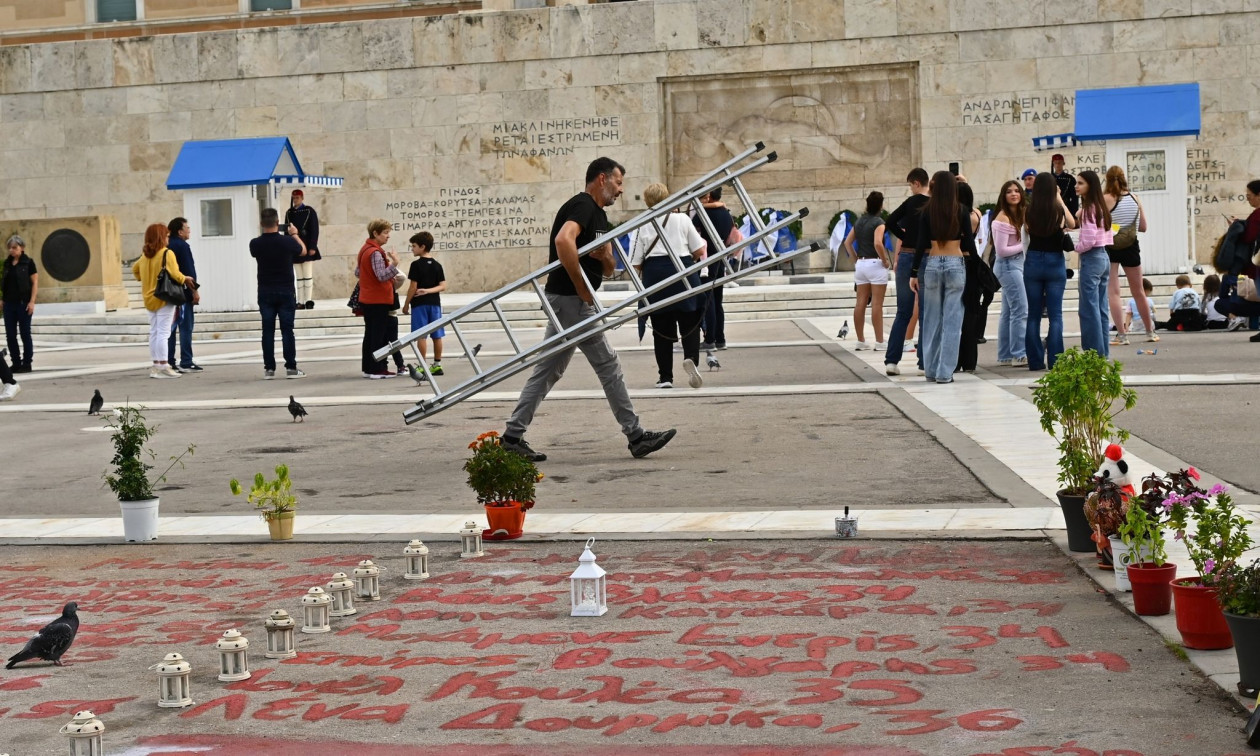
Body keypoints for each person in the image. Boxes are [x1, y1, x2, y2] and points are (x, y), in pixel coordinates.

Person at [500, 157, 676, 461]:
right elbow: (562, 240)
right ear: (602, 179)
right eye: (619, 183)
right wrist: (582, 288)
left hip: (567, 300)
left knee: (548, 370)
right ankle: (635, 436)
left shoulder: (599, 217)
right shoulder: (583, 206)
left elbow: (608, 268)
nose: (621, 191)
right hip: (572, 300)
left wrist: (603, 258)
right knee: (608, 365)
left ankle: (512, 437)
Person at [632, 182, 708, 389]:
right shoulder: (682, 219)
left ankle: (665, 377)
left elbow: (636, 261)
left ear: (647, 201)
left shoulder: (641, 223)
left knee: (661, 326)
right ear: (668, 198)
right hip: (683, 271)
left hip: (656, 276)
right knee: (690, 320)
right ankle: (691, 358)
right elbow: (700, 249)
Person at [909, 171, 973, 384]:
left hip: (933, 262)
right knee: (953, 320)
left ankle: (931, 369)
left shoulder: (927, 211)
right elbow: (969, 244)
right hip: (955, 262)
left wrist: (914, 272)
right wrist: (976, 265)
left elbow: (920, 245)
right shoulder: (961, 210)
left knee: (931, 320)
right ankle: (945, 373)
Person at [1024, 173, 1076, 371]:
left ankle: (1035, 361)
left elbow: (1027, 231)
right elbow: (1071, 223)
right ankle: (1055, 361)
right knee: (1056, 315)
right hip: (1055, 261)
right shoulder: (1057, 209)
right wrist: (1059, 198)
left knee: (1033, 314)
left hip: (1034, 260)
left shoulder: (1029, 210)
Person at [249, 208, 307, 380]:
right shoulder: (287, 242)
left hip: (265, 291)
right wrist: (295, 234)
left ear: (261, 224)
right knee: (287, 330)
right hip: (286, 290)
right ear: (277, 222)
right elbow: (303, 251)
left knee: (267, 331)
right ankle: (291, 367)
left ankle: (269, 369)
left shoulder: (255, 243)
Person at [883, 168, 930, 376]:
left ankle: (892, 361)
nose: (910, 189)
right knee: (927, 312)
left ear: (917, 183)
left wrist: (904, 234)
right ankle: (924, 362)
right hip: (928, 256)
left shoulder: (910, 203)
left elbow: (890, 221)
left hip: (907, 255)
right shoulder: (933, 204)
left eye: (910, 185)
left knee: (904, 311)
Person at [1103, 166, 1155, 346]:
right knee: (1139, 291)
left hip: (1110, 247)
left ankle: (1122, 336)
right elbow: (1143, 227)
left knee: (1113, 292)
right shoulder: (1135, 198)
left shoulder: (1106, 199)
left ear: (1107, 180)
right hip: (1131, 247)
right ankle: (1150, 332)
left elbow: (1099, 225)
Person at [132, 223, 190, 379]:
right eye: (166, 235)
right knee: (164, 333)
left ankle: (156, 365)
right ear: (160, 237)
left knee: (155, 332)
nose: (168, 238)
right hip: (164, 297)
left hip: (149, 298)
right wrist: (186, 279)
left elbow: (135, 270)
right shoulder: (166, 253)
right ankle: (164, 365)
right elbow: (176, 275)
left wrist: (143, 278)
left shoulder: (145, 256)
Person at [842, 191, 890, 351]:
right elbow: (878, 243)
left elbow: (847, 243)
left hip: (861, 264)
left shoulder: (859, 221)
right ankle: (879, 341)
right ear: (881, 205)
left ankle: (861, 340)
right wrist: (885, 260)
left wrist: (856, 260)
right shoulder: (879, 222)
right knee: (877, 304)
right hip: (875, 263)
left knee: (860, 303)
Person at [356, 219, 402, 379]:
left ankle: (368, 368)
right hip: (378, 299)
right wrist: (394, 264)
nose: (388, 236)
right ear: (375, 233)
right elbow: (381, 276)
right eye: (385, 233)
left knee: (370, 334)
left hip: (368, 298)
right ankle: (377, 369)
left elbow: (358, 272)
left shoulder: (364, 249)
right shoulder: (375, 252)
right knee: (378, 336)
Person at [1074, 169, 1113, 357]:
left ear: (1090, 185)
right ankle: (1103, 351)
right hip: (1104, 255)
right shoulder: (1100, 206)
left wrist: (1075, 246)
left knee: (1088, 309)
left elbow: (1088, 242)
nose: (1076, 186)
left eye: (1080, 183)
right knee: (1101, 307)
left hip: (1092, 257)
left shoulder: (1089, 208)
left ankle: (1093, 353)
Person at [991, 180, 1029, 367]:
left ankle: (1005, 354)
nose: (1014, 194)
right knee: (1021, 309)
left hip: (1016, 265)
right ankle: (1019, 353)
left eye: (1017, 191)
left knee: (1008, 312)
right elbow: (1001, 250)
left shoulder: (1020, 215)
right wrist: (1025, 245)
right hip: (1007, 266)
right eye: (1009, 191)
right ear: (1003, 196)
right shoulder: (1002, 217)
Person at [692, 187, 734, 351]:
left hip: (706, 262)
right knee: (717, 301)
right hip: (720, 260)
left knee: (707, 302)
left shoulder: (703, 214)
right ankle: (720, 338)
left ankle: (709, 339)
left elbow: (694, 234)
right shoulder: (726, 213)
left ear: (708, 197)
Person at [401, 231, 447, 375]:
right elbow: (443, 286)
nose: (412, 249)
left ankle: (422, 365)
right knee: (437, 334)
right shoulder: (437, 265)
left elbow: (413, 287)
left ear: (422, 246)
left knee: (421, 335)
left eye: (414, 246)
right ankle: (437, 364)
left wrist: (406, 303)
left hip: (419, 304)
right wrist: (429, 291)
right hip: (435, 304)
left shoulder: (416, 265)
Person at [955, 180, 985, 372]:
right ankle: (969, 360)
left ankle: (961, 359)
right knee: (970, 311)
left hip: (962, 260)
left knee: (962, 312)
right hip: (971, 262)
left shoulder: (964, 216)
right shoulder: (976, 214)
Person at [165, 218, 202, 373]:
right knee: (186, 327)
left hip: (168, 293)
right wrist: (194, 291)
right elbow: (189, 271)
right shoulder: (182, 246)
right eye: (187, 227)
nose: (189, 230)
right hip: (183, 293)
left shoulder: (166, 246)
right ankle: (186, 360)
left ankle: (169, 360)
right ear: (180, 231)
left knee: (170, 328)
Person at [1, 235, 38, 374]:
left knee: (25, 334)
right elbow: (5, 283)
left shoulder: (28, 263)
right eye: (10, 248)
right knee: (10, 335)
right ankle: (15, 362)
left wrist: (32, 302)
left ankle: (27, 363)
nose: (12, 250)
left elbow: (34, 283)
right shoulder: (7, 263)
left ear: (21, 248)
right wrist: (2, 299)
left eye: (14, 248)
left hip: (24, 304)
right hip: (9, 304)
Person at [285, 189, 320, 310]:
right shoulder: (289, 212)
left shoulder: (309, 211)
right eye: (294, 198)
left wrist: (312, 247)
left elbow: (314, 230)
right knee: (299, 276)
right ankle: (300, 301)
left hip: (307, 245)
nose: (295, 200)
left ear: (302, 198)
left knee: (307, 274)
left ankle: (308, 300)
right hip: (295, 247)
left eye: (297, 198)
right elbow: (286, 231)